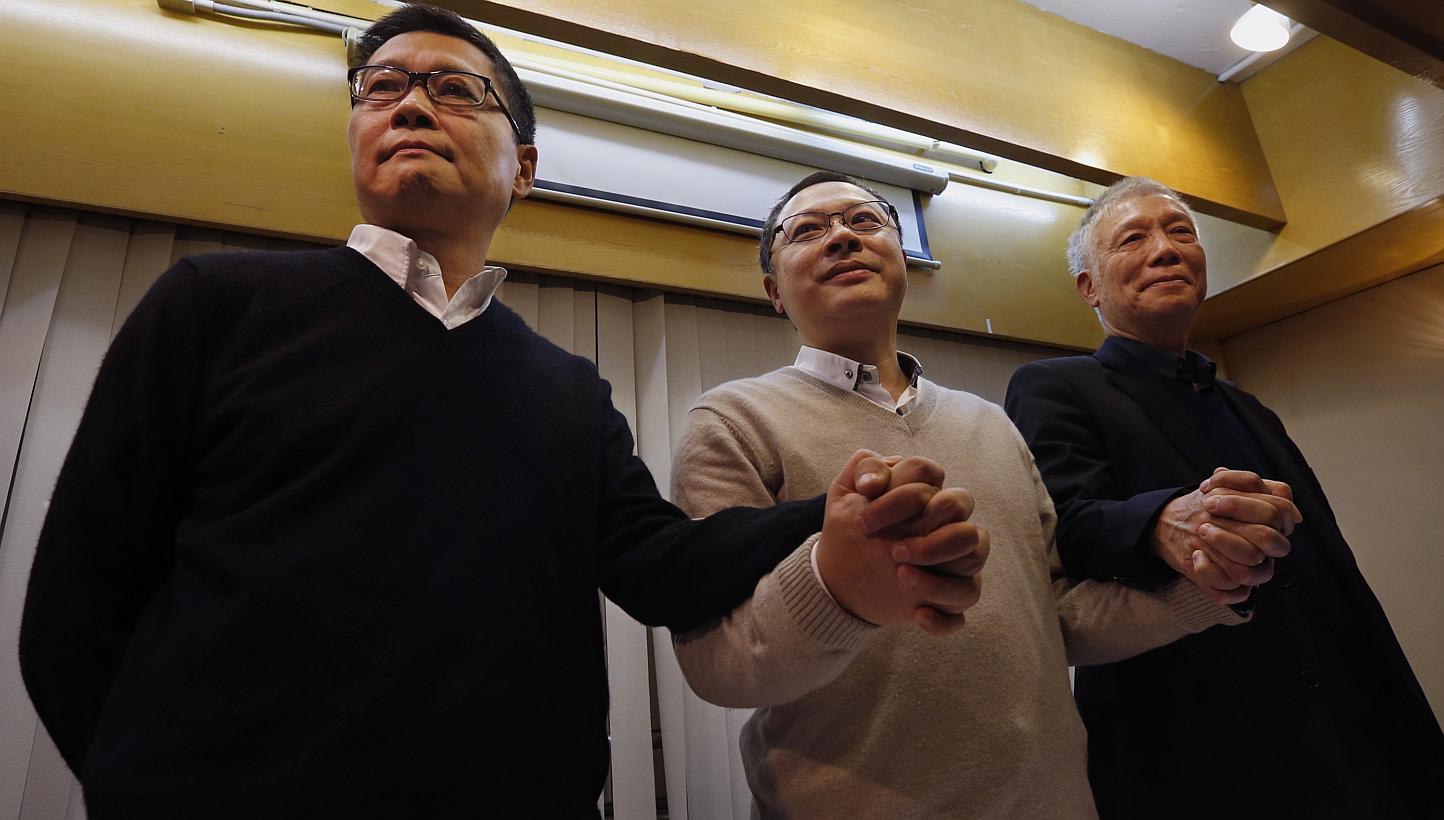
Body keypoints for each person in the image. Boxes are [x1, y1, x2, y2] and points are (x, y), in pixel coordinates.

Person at [17, 7, 983, 817]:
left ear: (523, 168)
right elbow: (74, 608)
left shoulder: (564, 386)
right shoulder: (213, 305)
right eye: (381, 87)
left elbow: (664, 570)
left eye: (453, 89)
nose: (408, 104)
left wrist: (827, 521)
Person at [669, 171, 1250, 819]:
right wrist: (836, 589)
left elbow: (1057, 617)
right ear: (774, 290)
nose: (841, 238)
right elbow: (718, 663)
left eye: (864, 223)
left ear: (901, 260)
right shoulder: (731, 421)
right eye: (808, 230)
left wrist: (1204, 586)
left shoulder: (990, 423)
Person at [1005, 176, 1444, 819]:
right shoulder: (1055, 386)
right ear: (1088, 288)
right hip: (1199, 739)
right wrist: (1161, 522)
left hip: (1353, 725)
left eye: (1180, 231)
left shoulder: (1249, 406)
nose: (1165, 249)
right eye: (1134, 238)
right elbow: (1063, 525)